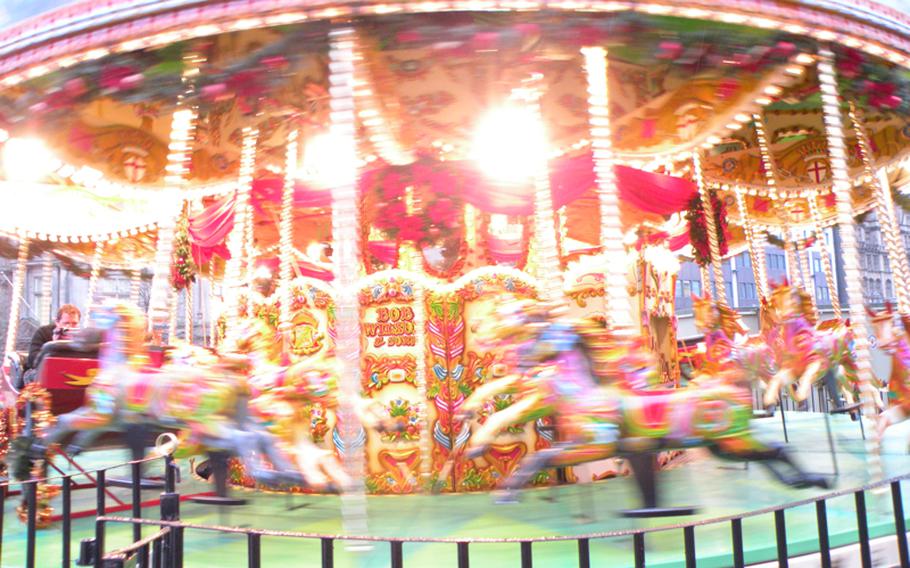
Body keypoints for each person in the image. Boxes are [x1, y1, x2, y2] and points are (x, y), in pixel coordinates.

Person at [25, 304, 81, 373]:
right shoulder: (43, 332)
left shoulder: (82, 337)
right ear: (57, 322)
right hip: (41, 371)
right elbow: (33, 360)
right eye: (66, 323)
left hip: (68, 371)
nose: (70, 327)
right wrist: (54, 344)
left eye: (74, 323)